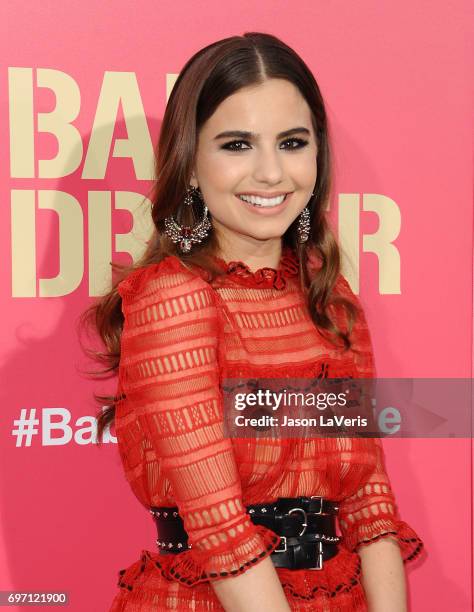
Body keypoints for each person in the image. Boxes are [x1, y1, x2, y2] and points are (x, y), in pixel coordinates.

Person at [84, 32, 424, 611]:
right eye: (237, 144)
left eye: (292, 142)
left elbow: (370, 503)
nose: (271, 173)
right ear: (190, 162)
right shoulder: (175, 298)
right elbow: (221, 534)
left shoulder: (330, 298)